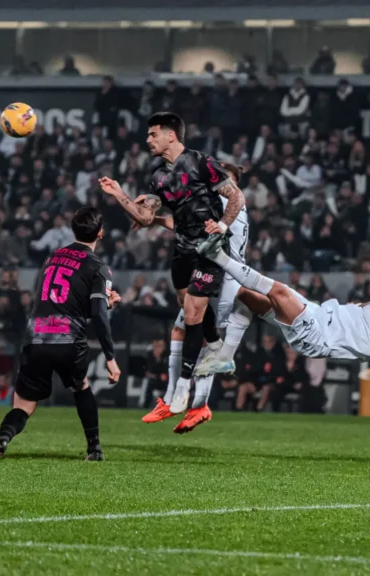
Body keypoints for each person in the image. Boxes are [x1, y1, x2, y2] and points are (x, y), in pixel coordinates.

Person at [193, 235, 370, 466]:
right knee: (245, 294)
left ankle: (216, 256)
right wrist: (354, 308)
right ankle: (224, 352)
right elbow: (366, 307)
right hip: (318, 311)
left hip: (318, 337)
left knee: (278, 290)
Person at [99, 112, 248, 434]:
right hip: (182, 251)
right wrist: (119, 194)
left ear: (171, 135)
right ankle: (215, 347)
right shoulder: (157, 176)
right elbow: (144, 217)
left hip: (210, 251)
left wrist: (222, 226)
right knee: (188, 308)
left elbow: (236, 196)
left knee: (192, 314)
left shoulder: (201, 163)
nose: (148, 140)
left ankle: (182, 389)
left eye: (153, 134)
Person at [0, 207, 121, 462]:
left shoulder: (53, 257)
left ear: (73, 230)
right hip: (69, 340)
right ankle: (94, 449)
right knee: (80, 387)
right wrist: (110, 356)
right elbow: (96, 313)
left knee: (24, 404)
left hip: (36, 336)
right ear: (100, 233)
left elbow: (53, 301)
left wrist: (100, 305)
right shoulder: (98, 266)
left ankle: (1, 440)